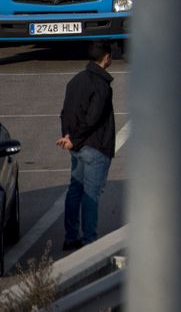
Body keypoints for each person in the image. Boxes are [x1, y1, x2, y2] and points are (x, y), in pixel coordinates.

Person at [58, 41, 116, 252]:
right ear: (106, 57)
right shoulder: (101, 86)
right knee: (91, 194)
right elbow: (93, 119)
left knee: (75, 191)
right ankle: (89, 240)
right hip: (94, 147)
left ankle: (70, 236)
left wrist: (67, 135)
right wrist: (74, 138)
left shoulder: (75, 81)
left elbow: (65, 112)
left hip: (76, 147)